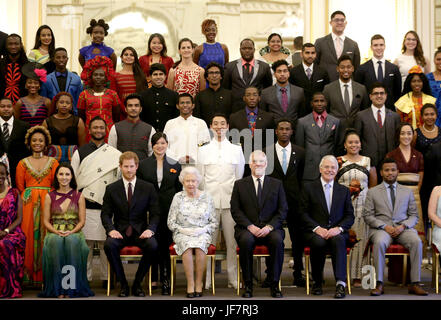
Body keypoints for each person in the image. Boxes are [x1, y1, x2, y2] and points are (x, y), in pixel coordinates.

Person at [363, 157, 428, 296]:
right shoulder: (373, 192)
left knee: (416, 241)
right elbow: (367, 216)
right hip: (382, 229)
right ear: (381, 172)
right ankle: (379, 284)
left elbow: (414, 215)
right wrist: (384, 227)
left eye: (393, 170)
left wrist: (403, 226)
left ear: (398, 171)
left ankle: (415, 283)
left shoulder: (407, 191)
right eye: (386, 170)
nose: (390, 173)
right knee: (379, 242)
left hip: (403, 228)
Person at [71, 116, 121, 287]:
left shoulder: (114, 154)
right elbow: (73, 178)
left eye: (102, 128)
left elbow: (119, 178)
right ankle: (86, 278)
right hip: (86, 205)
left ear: (106, 130)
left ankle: (108, 279)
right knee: (86, 247)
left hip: (107, 207)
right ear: (89, 130)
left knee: (107, 245)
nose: (99, 130)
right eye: (95, 127)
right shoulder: (80, 152)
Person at [102, 151, 160, 297]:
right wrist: (110, 230)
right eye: (126, 166)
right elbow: (105, 214)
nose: (129, 169)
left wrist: (150, 230)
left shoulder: (148, 187)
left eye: (131, 166)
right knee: (109, 245)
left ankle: (137, 284)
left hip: (141, 232)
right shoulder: (111, 189)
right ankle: (123, 284)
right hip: (119, 232)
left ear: (137, 167)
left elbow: (155, 214)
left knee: (152, 245)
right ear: (120, 167)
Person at [230, 150, 287, 298]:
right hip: (247, 228)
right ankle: (248, 285)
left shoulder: (276, 184)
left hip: (271, 228)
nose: (258, 164)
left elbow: (283, 210)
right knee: (246, 241)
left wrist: (269, 227)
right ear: (250, 164)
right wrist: (250, 226)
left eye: (261, 161)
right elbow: (235, 210)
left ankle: (274, 284)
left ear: (266, 164)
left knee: (277, 240)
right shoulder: (240, 184)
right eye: (255, 161)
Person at [198, 113, 245, 290]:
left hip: (230, 202)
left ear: (227, 127)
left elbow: (238, 176)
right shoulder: (202, 149)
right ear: (211, 127)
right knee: (208, 242)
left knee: (232, 243)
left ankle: (232, 278)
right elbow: (200, 177)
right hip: (209, 201)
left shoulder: (236, 149)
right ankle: (208, 279)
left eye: (222, 124)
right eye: (215, 124)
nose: (219, 127)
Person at [300, 155, 354, 298]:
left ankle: (340, 284)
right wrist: (317, 228)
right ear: (320, 169)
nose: (329, 170)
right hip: (315, 232)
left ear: (337, 170)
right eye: (327, 167)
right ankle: (317, 282)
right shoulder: (309, 188)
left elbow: (350, 216)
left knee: (338, 240)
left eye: (333, 167)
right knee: (318, 242)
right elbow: (302, 213)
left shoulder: (344, 191)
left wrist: (339, 229)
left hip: (337, 231)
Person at [39, 163, 94, 298]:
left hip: (74, 231)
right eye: (61, 174)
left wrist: (71, 231)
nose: (64, 177)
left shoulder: (79, 196)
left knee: (72, 241)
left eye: (67, 174)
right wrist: (56, 232)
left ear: (72, 177)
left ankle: (70, 288)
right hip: (54, 230)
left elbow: (82, 221)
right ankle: (58, 289)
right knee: (55, 242)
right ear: (56, 176)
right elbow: (46, 221)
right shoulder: (49, 196)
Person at [137, 132, 182, 295]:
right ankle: (153, 277)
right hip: (149, 211)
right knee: (152, 245)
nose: (160, 146)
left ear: (167, 144)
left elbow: (178, 191)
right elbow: (140, 189)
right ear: (152, 145)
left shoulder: (175, 165)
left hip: (168, 210)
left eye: (163, 143)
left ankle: (166, 278)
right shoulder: (143, 165)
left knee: (165, 245)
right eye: (156, 143)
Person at [16, 126, 59, 285]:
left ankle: (45, 277)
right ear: (29, 142)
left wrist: (51, 198)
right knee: (28, 235)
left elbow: (56, 183)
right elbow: (20, 186)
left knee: (46, 235)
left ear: (46, 142)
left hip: (49, 201)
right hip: (28, 203)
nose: (37, 143)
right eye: (34, 140)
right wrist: (28, 194)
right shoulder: (22, 163)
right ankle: (28, 277)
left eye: (41, 140)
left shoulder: (53, 162)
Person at [265, 118, 306, 287]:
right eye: (281, 129)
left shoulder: (301, 152)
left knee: (297, 239)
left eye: (287, 129)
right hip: (272, 202)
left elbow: (301, 177)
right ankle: (270, 275)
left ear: (292, 132)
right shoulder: (265, 152)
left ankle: (298, 273)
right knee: (272, 237)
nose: (284, 131)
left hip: (294, 201)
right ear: (276, 131)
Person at [167, 166, 217, 298]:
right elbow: (170, 222)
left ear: (198, 182)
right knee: (187, 247)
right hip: (183, 233)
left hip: (202, 232)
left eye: (193, 181)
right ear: (183, 182)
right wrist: (183, 230)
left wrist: (203, 229)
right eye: (187, 181)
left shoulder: (207, 197)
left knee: (200, 247)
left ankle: (199, 283)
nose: (190, 184)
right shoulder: (177, 197)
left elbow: (214, 222)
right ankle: (190, 284)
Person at [336, 129, 377, 287]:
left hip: (363, 208)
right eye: (350, 142)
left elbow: (372, 187)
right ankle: (343, 276)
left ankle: (360, 277)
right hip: (342, 208)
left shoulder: (367, 161)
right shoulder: (338, 161)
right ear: (345, 145)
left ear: (360, 144)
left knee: (361, 242)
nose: (354, 144)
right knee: (345, 241)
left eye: (356, 142)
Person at [386, 123, 426, 254]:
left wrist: (416, 190)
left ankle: (416, 256)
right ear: (398, 135)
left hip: (414, 195)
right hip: (396, 195)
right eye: (403, 133)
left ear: (413, 135)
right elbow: (388, 176)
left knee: (415, 226)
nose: (406, 136)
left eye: (409, 133)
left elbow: (421, 172)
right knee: (397, 225)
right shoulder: (391, 155)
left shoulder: (418, 155)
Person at [354, 82, 401, 181]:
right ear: (370, 96)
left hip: (389, 166)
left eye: (382, 93)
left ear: (386, 96)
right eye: (376, 93)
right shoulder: (361, 116)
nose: (379, 96)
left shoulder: (395, 116)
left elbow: (397, 141)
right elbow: (357, 140)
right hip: (368, 164)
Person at [323, 55, 369, 154]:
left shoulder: (361, 88)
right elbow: (325, 112)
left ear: (352, 68)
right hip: (336, 134)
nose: (345, 70)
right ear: (337, 69)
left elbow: (365, 111)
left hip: (356, 134)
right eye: (342, 67)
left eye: (348, 67)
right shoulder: (328, 89)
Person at [295, 92, 340, 181]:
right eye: (316, 101)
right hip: (309, 169)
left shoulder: (335, 121)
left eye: (322, 101)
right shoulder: (302, 122)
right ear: (311, 103)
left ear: (326, 103)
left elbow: (337, 144)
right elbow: (300, 147)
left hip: (329, 169)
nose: (319, 103)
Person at [78, 56, 122, 142]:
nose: (98, 77)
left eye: (101, 75)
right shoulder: (83, 94)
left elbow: (116, 116)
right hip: (89, 131)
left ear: (106, 78)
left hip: (108, 130)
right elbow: (81, 116)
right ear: (91, 77)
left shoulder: (113, 94)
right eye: (95, 75)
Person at [222, 38, 273, 112]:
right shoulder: (229, 66)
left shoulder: (264, 67)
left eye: (250, 48)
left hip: (258, 108)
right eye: (244, 48)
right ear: (240, 50)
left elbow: (268, 88)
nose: (247, 51)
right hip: (236, 109)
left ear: (254, 50)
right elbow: (226, 89)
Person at [354, 34, 402, 110]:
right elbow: (358, 92)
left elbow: (397, 92)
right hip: (368, 110)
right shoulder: (362, 69)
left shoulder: (394, 68)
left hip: (389, 110)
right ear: (371, 47)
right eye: (375, 45)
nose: (379, 48)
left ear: (385, 46)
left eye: (381, 45)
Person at [229, 86, 275, 162]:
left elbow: (271, 141)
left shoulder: (268, 117)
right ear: (244, 98)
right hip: (241, 159)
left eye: (255, 95)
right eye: (248, 95)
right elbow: (232, 141)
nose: (252, 98)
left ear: (259, 98)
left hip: (262, 159)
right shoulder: (234, 117)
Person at [163, 93, 210, 166]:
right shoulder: (170, 124)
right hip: (175, 165)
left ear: (193, 105)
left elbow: (205, 145)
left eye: (188, 102)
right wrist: (177, 159)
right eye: (182, 103)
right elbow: (165, 145)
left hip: (196, 165)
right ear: (177, 106)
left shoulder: (201, 123)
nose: (185, 105)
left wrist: (193, 158)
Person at [0, 163, 25, 298]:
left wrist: (6, 231)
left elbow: (19, 218)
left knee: (5, 244)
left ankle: (9, 288)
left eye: (2, 173)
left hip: (11, 232)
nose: (0, 176)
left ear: (7, 175)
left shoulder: (14, 193)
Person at [314, 11, 360, 82]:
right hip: (325, 84)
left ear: (345, 23)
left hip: (347, 84)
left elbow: (356, 68)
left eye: (342, 20)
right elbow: (314, 65)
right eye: (336, 20)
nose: (340, 22)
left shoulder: (353, 44)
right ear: (331, 23)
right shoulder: (320, 42)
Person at [415, 103, 441, 227]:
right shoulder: (416, 133)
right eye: (426, 114)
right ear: (422, 117)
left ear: (436, 115)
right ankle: (425, 239)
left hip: (438, 176)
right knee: (425, 209)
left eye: (432, 114)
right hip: (423, 176)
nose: (429, 117)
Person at [108, 93, 156, 161]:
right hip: (121, 169)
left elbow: (152, 153)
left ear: (141, 109)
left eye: (136, 105)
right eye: (130, 106)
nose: (133, 108)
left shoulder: (150, 129)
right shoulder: (115, 128)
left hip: (143, 169)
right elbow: (111, 151)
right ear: (125, 109)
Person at [42, 92, 86, 163]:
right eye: (61, 102)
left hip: (73, 157)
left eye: (67, 103)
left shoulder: (78, 121)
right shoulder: (47, 122)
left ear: (71, 106)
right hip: (52, 159)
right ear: (56, 104)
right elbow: (44, 145)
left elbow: (82, 145)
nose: (64, 105)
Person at [289, 43, 330, 117]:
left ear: (316, 54)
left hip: (319, 111)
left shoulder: (322, 71)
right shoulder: (293, 72)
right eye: (307, 53)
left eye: (313, 53)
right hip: (299, 111)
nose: (310, 56)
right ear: (301, 54)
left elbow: (326, 92)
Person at [40, 47, 83, 115]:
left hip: (72, 115)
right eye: (58, 57)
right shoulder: (46, 79)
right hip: (53, 116)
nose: (61, 60)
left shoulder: (76, 79)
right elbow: (44, 100)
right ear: (53, 59)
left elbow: (79, 101)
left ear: (67, 59)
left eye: (64, 57)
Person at [260, 59, 304, 125]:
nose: (282, 74)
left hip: (294, 129)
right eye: (279, 71)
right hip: (273, 129)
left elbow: (302, 114)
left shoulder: (299, 91)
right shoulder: (265, 93)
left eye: (285, 71)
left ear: (289, 73)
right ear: (274, 74)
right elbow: (263, 115)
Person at [139, 63, 179, 132]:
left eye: (161, 74)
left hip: (168, 134)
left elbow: (176, 118)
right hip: (148, 134)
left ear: (165, 76)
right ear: (150, 77)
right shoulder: (142, 96)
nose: (158, 77)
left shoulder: (173, 95)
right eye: (155, 74)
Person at [0, 97, 30, 187]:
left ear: (13, 108)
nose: (6, 109)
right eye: (2, 106)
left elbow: (27, 150)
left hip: (18, 170)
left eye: (9, 106)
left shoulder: (24, 126)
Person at [194, 62, 232, 126]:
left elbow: (232, 117)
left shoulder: (230, 95)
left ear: (221, 76)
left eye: (217, 73)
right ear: (207, 77)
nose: (214, 75)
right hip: (205, 132)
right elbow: (197, 118)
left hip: (225, 132)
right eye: (211, 73)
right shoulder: (200, 96)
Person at [14, 62, 52, 127]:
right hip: (24, 135)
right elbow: (17, 123)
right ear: (25, 85)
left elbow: (50, 123)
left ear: (39, 85)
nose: (33, 85)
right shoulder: (20, 103)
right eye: (29, 82)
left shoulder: (47, 102)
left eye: (36, 83)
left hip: (42, 135)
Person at [0, 34, 28, 104]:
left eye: (16, 44)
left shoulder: (28, 66)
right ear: (6, 46)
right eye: (10, 44)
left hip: (22, 105)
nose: (13, 47)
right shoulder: (0, 64)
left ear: (21, 45)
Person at [426, 47, 441, 127]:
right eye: (438, 59)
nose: (440, 62)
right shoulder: (427, 78)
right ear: (434, 60)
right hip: (431, 117)